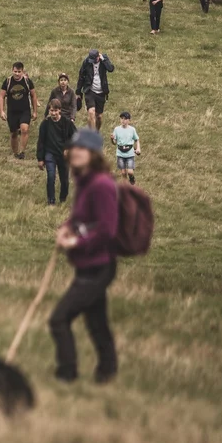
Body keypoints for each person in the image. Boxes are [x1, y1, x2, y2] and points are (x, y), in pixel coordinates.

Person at [49, 128, 119, 385]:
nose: (75, 152)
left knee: (59, 319)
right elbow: (81, 217)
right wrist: (67, 227)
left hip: (99, 266)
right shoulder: (85, 181)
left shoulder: (102, 185)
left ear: (93, 154)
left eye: (82, 148)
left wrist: (76, 241)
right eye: (74, 148)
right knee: (96, 322)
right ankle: (107, 372)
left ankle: (66, 374)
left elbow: (108, 229)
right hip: (87, 264)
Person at [37, 98, 77, 205]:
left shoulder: (67, 123)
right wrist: (40, 159)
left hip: (63, 155)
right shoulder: (45, 124)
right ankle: (51, 200)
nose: (53, 113)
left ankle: (63, 198)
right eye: (51, 111)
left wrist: (68, 148)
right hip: (50, 154)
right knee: (51, 176)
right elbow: (40, 141)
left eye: (55, 111)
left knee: (64, 180)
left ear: (60, 110)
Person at [0, 62, 38, 158]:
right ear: (12, 70)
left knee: (24, 129)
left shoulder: (27, 81)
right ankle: (15, 153)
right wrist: (2, 111)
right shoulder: (7, 82)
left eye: (19, 71)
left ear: (22, 71)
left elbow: (33, 96)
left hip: (25, 111)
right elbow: (1, 96)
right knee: (13, 133)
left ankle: (22, 152)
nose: (16, 74)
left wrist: (35, 111)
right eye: (15, 71)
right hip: (12, 112)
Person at [76, 49, 115, 130]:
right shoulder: (87, 62)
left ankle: (96, 133)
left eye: (94, 60)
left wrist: (104, 60)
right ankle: (92, 136)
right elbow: (81, 76)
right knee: (91, 112)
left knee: (99, 117)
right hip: (90, 90)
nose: (92, 61)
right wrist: (78, 92)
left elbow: (111, 69)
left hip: (101, 92)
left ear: (98, 57)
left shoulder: (104, 59)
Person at [111, 111, 141, 185]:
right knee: (123, 172)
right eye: (122, 118)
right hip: (120, 153)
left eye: (125, 119)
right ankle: (125, 188)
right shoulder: (117, 129)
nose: (123, 120)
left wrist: (138, 148)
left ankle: (131, 177)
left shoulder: (132, 129)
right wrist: (112, 139)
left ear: (129, 120)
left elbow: (136, 139)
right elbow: (114, 143)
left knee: (130, 172)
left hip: (130, 153)